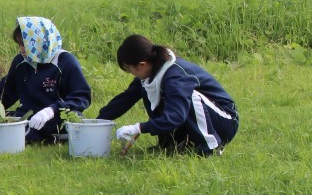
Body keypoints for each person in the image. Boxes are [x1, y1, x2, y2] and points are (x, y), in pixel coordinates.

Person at [0, 17, 92, 143]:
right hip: (27, 116)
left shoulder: (65, 61)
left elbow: (81, 97)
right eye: (19, 44)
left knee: (71, 118)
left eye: (24, 45)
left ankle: (47, 136)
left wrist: (51, 110)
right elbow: (3, 93)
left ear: (38, 41)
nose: (20, 50)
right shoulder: (21, 62)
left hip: (55, 117)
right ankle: (27, 134)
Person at [98, 34, 239, 156]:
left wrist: (139, 128)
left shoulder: (176, 77)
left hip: (224, 121)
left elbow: (176, 116)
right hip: (205, 116)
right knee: (146, 90)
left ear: (142, 64)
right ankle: (169, 145)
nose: (131, 73)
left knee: (190, 97)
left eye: (129, 69)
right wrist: (97, 121)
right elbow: (126, 98)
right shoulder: (150, 75)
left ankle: (211, 147)